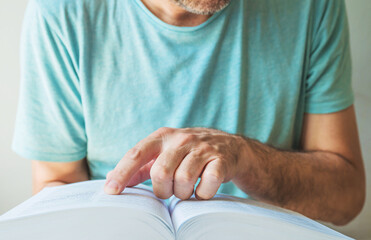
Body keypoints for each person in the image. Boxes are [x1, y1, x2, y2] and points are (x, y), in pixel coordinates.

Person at [13, 0, 365, 226]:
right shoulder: (61, 13)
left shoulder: (313, 6)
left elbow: (346, 197)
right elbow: (56, 186)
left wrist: (248, 158)